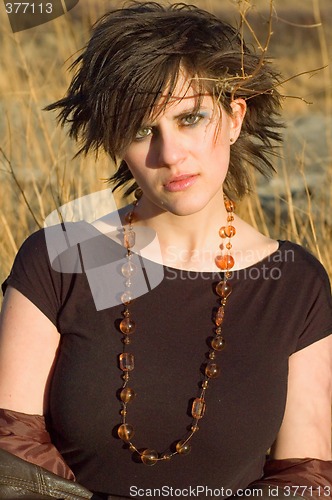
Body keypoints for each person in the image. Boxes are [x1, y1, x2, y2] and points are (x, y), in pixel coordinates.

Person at [0, 2, 331, 499]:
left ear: (235, 116)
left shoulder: (294, 283)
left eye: (191, 118)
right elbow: (12, 455)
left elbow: (304, 479)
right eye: (140, 130)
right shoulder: (60, 259)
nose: (170, 154)